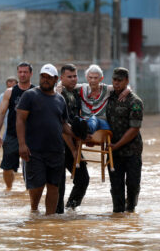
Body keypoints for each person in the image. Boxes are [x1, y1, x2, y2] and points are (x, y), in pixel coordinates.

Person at [16, 63, 75, 215]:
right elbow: (20, 120)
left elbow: (63, 124)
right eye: (43, 77)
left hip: (56, 150)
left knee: (54, 185)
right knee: (37, 185)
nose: (45, 80)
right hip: (34, 150)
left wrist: (78, 135)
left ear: (56, 79)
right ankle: (34, 210)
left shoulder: (60, 99)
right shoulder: (29, 95)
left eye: (49, 78)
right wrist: (22, 144)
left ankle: (50, 218)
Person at [106, 67, 143, 213]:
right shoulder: (108, 98)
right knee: (116, 187)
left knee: (133, 185)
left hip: (131, 150)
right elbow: (91, 88)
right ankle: (118, 217)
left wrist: (117, 145)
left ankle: (131, 209)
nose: (116, 83)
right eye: (114, 80)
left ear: (127, 81)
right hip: (113, 151)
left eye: (120, 81)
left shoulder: (135, 101)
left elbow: (134, 129)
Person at [0, 62, 34, 190]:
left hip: (32, 136)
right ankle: (9, 189)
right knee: (7, 168)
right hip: (12, 135)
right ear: (18, 73)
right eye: (20, 72)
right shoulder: (10, 92)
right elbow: (1, 113)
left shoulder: (36, 91)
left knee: (33, 167)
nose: (22, 74)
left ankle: (30, 193)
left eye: (25, 72)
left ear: (30, 74)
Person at [56, 64, 89, 214]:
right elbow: (62, 127)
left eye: (75, 76)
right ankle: (56, 216)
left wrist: (128, 89)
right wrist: (74, 150)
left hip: (73, 142)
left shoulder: (75, 93)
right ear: (61, 78)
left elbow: (99, 85)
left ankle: (70, 209)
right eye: (69, 76)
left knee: (83, 178)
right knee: (58, 184)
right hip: (59, 145)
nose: (73, 79)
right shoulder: (59, 94)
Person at [69, 64, 129, 139]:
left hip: (102, 124)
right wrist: (59, 86)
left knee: (93, 118)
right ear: (87, 78)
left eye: (95, 78)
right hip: (85, 120)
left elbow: (122, 86)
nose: (93, 80)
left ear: (101, 78)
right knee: (78, 120)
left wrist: (127, 90)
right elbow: (65, 83)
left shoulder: (107, 89)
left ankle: (86, 130)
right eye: (90, 77)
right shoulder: (82, 88)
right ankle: (83, 129)